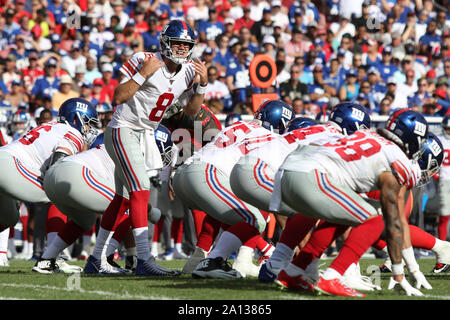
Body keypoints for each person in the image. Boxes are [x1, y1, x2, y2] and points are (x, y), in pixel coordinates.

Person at [88, 19, 207, 276]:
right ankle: (144, 259)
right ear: (165, 41)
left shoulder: (188, 71)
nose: (181, 49)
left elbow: (191, 113)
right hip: (123, 128)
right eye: (177, 43)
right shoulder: (144, 59)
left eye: (186, 45)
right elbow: (117, 97)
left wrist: (201, 85)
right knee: (140, 190)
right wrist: (143, 73)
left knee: (121, 200)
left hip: (146, 133)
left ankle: (95, 259)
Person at [268, 109, 430, 297]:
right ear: (413, 138)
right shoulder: (397, 159)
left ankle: (294, 271)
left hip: (287, 173)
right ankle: (332, 277)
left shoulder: (367, 134)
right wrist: (399, 273)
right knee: (376, 217)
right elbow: (394, 221)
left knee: (344, 215)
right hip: (310, 175)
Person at [174, 100, 294, 278]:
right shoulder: (272, 138)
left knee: (226, 212)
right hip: (206, 173)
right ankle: (214, 262)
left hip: (184, 175)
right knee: (254, 218)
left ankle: (197, 261)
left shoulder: (240, 124)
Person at [32, 125, 174, 274]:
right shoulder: (131, 153)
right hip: (75, 174)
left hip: (54, 176)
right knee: (123, 205)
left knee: (84, 221)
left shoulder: (118, 144)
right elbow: (130, 200)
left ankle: (46, 260)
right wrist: (151, 212)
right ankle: (101, 259)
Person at [0, 97, 99, 267]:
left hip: (5, 159)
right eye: (88, 123)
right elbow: (56, 169)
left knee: (9, 217)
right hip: (11, 167)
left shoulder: (50, 126)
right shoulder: (73, 134)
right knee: (60, 191)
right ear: (76, 119)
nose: (90, 129)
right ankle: (52, 258)